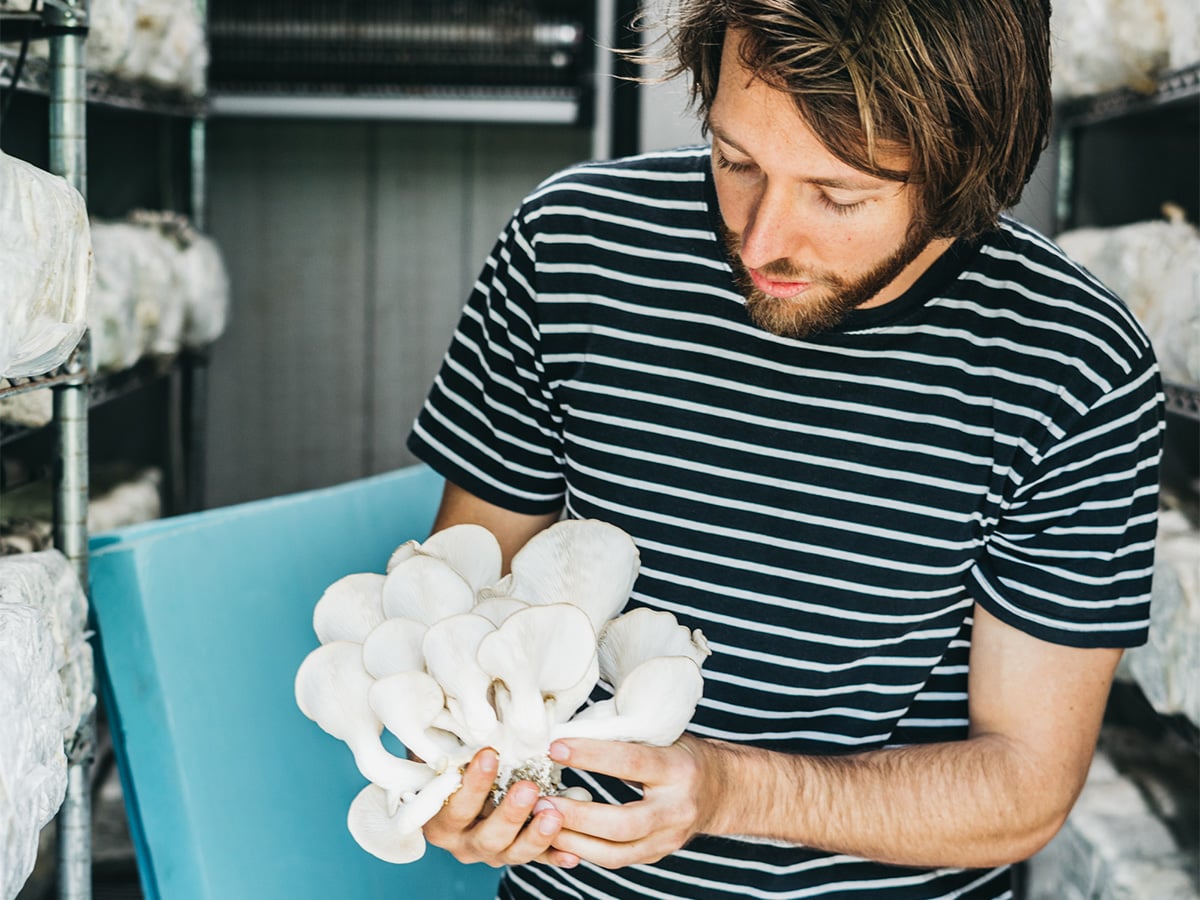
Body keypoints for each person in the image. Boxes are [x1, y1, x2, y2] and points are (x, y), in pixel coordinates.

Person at [404, 1, 1165, 897]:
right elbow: (460, 614)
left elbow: (1026, 788)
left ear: (968, 167)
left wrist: (727, 789)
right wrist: (458, 775)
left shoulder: (1073, 360)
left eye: (839, 195)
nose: (760, 242)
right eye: (735, 159)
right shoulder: (571, 249)